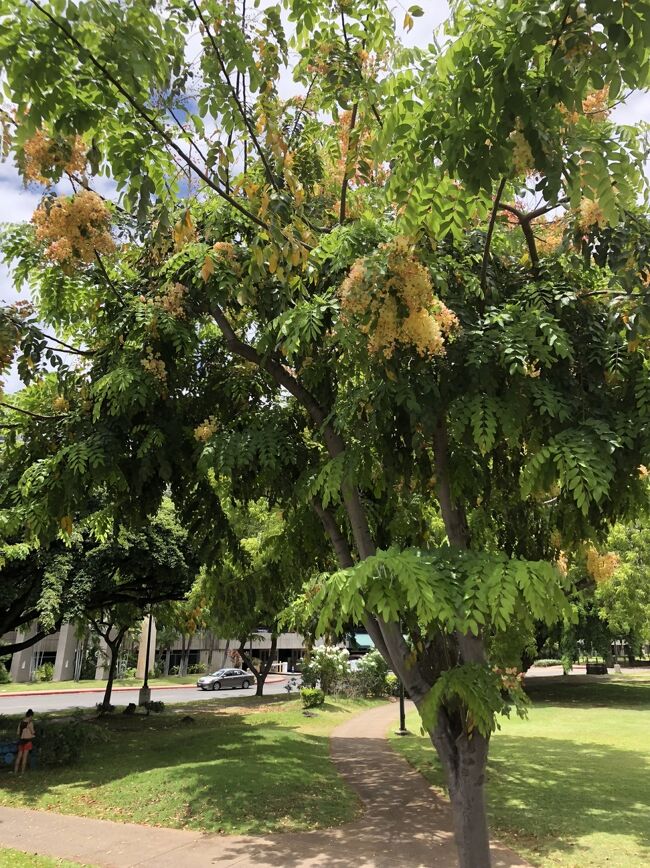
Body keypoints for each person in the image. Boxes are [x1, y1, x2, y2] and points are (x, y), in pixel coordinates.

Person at [14, 709, 35, 774]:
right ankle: (22, 772)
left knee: (19, 757)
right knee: (24, 757)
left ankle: (15, 771)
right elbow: (33, 732)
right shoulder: (30, 723)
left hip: (21, 741)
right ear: (31, 716)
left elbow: (18, 733)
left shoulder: (21, 723)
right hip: (28, 741)